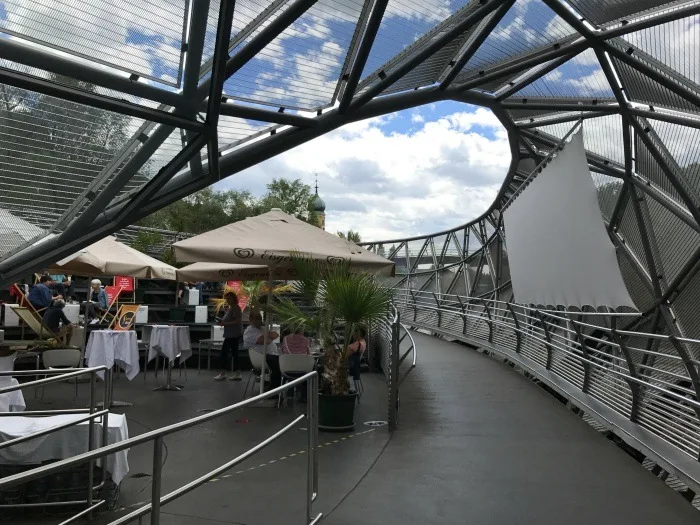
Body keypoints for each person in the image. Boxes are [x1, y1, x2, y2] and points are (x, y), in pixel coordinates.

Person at [243, 310, 281, 389]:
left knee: (284, 362)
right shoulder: (249, 331)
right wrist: (268, 336)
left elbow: (276, 334)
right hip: (262, 357)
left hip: (271, 355)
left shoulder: (262, 329)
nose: (259, 321)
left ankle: (278, 387)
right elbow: (264, 341)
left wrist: (267, 335)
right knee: (277, 364)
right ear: (250, 319)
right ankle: (273, 390)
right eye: (256, 318)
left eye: (260, 318)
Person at [215, 292, 243, 381]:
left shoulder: (235, 308)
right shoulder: (232, 308)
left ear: (233, 298)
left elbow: (237, 321)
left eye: (229, 298)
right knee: (233, 353)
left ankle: (226, 373)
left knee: (226, 353)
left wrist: (225, 323)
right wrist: (222, 322)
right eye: (226, 299)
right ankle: (236, 372)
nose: (227, 300)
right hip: (231, 334)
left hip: (233, 334)